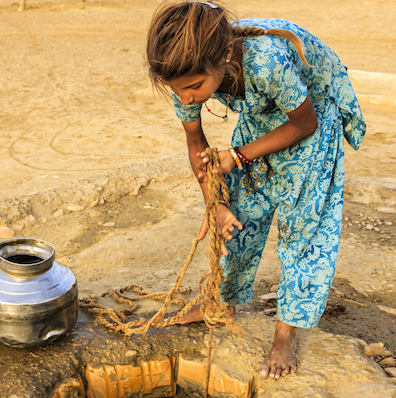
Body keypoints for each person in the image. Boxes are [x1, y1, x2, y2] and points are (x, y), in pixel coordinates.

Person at [146, 0, 366, 379]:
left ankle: (285, 333)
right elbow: (196, 143)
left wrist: (239, 154)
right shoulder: (186, 75)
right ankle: (223, 301)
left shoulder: (267, 62)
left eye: (195, 88)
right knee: (240, 214)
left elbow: (304, 124)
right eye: (178, 91)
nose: (187, 99)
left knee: (304, 230)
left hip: (310, 120)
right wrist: (215, 204)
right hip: (261, 119)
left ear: (225, 57)